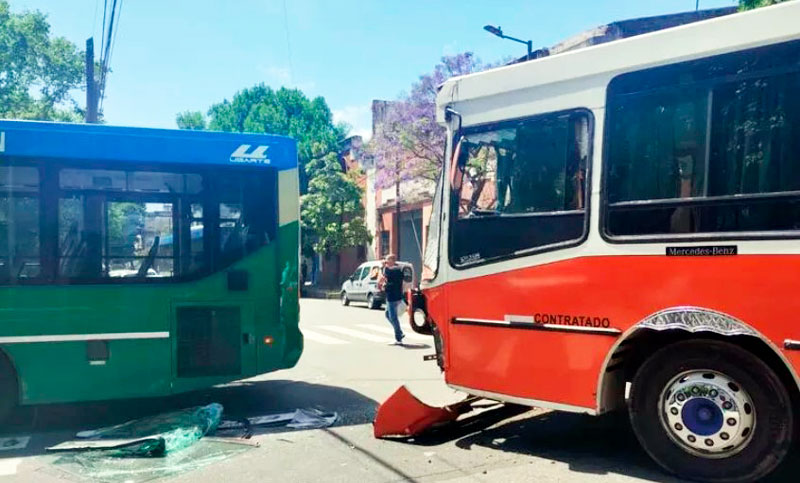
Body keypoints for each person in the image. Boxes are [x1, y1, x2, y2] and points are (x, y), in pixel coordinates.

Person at [378, 254, 405, 345]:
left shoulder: (395, 270)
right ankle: (399, 332)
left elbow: (386, 274)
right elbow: (386, 277)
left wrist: (382, 266)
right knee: (387, 314)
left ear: (392, 261)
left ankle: (398, 338)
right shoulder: (397, 269)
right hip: (394, 295)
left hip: (393, 296)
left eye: (387, 259)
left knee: (393, 317)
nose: (386, 261)